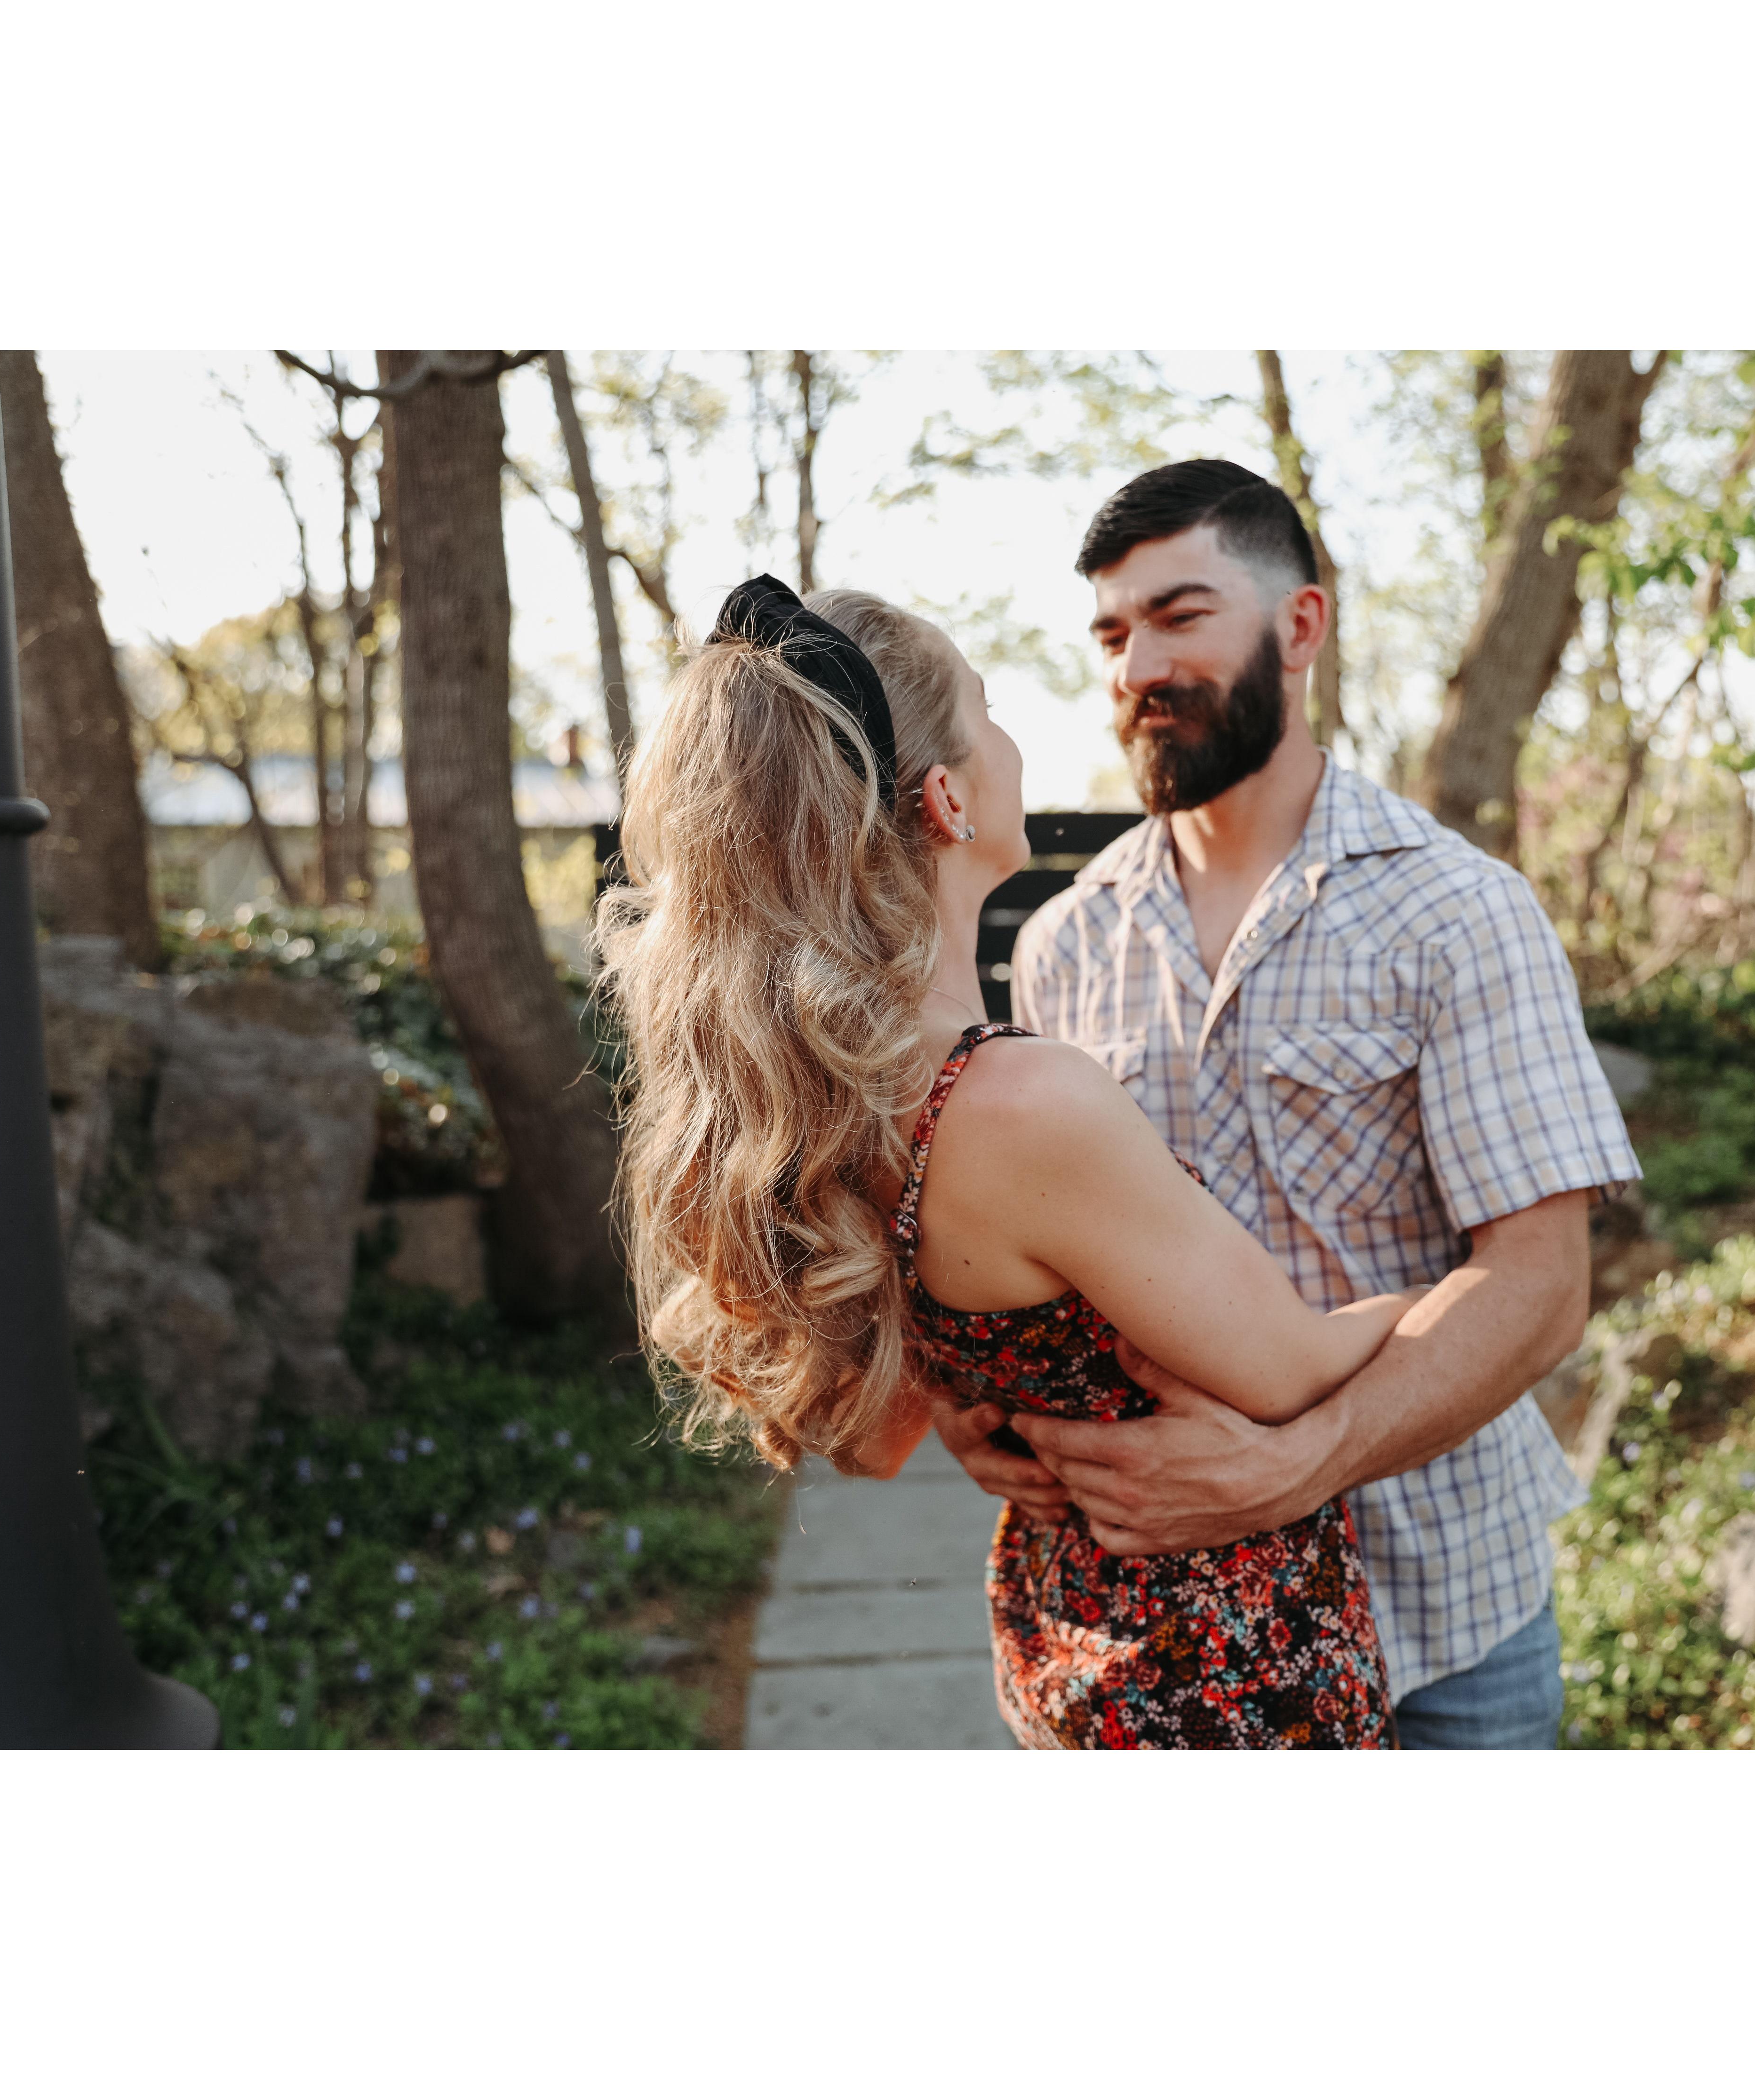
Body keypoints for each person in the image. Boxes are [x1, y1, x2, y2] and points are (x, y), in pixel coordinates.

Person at [598, 573, 1428, 1749]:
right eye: (988, 710)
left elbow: (878, 1437)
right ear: (946, 798)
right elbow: (1290, 1375)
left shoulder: (829, 1101)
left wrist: (988, 1400)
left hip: (1066, 1649)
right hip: (1213, 1683)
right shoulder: (1021, 1104)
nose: (1013, 741)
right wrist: (1430, 1303)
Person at [931, 460, 1644, 1750]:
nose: (1138, 666)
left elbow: (1541, 1284)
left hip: (1440, 1627)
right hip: (1169, 1652)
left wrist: (1300, 1465)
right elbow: (1024, 1247)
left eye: (1180, 615)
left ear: (1300, 625)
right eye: (1112, 634)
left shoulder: (1458, 911)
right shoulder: (1065, 945)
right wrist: (975, 1408)